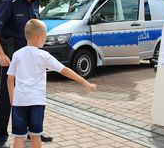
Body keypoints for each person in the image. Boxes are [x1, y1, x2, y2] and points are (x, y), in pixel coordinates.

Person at [7, 19, 97, 148]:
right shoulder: (44, 55)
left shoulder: (17, 55)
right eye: (45, 36)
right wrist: (83, 81)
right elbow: (64, 70)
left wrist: (12, 100)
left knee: (19, 137)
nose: (46, 39)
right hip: (37, 102)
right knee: (35, 135)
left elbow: (10, 79)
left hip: (19, 101)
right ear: (39, 37)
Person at [0, 0, 49, 148]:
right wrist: (0, 55)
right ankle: (0, 137)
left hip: (30, 58)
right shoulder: (10, 2)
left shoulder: (35, 2)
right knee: (6, 97)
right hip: (11, 56)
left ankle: (32, 132)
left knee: (31, 94)